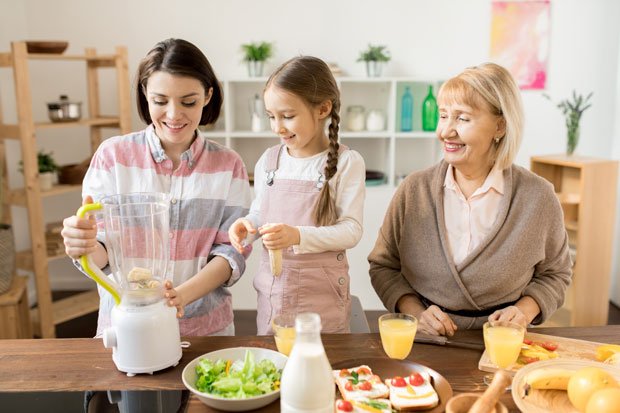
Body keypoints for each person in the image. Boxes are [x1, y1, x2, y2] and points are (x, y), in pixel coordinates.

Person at [61, 38, 252, 337]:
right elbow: (102, 253)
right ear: (145, 94)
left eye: (188, 101)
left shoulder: (229, 165)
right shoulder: (113, 158)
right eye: (160, 101)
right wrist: (83, 246)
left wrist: (182, 295)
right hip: (127, 330)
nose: (174, 115)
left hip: (206, 332)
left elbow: (232, 253)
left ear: (207, 95)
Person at [368, 62, 572, 336]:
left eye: (462, 119)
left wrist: (523, 311)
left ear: (500, 126)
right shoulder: (414, 190)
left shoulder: (538, 197)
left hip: (502, 342)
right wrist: (415, 314)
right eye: (443, 116)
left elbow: (556, 274)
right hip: (425, 339)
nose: (445, 131)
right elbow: (383, 266)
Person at [228, 56, 366, 335]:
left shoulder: (347, 163)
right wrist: (248, 226)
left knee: (324, 367)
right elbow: (260, 212)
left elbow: (351, 231)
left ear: (323, 108)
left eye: (288, 116)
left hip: (323, 295)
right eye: (271, 116)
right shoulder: (269, 161)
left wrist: (297, 236)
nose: (277, 127)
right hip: (275, 293)